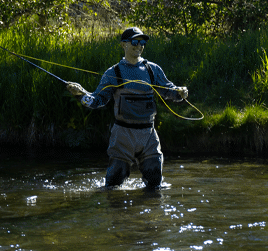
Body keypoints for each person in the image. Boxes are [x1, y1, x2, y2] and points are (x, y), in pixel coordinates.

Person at [66, 27, 188, 190]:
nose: (139, 46)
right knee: (113, 185)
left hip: (149, 135)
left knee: (155, 184)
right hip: (123, 135)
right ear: (124, 45)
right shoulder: (113, 72)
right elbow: (97, 101)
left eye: (142, 42)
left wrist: (180, 92)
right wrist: (80, 94)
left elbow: (169, 91)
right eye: (135, 42)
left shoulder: (153, 69)